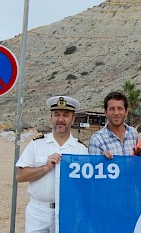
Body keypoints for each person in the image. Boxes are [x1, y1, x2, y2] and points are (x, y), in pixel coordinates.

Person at [16, 96, 88, 233]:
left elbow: (87, 183)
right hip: (38, 211)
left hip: (68, 211)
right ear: (51, 117)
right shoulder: (36, 144)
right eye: (57, 115)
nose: (60, 119)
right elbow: (20, 176)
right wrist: (46, 167)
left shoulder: (81, 149)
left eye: (65, 115)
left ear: (73, 119)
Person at [88, 91, 139, 159]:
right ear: (105, 112)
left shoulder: (133, 133)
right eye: (112, 109)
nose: (116, 113)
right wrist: (102, 160)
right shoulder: (96, 140)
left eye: (120, 109)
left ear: (126, 112)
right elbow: (95, 167)